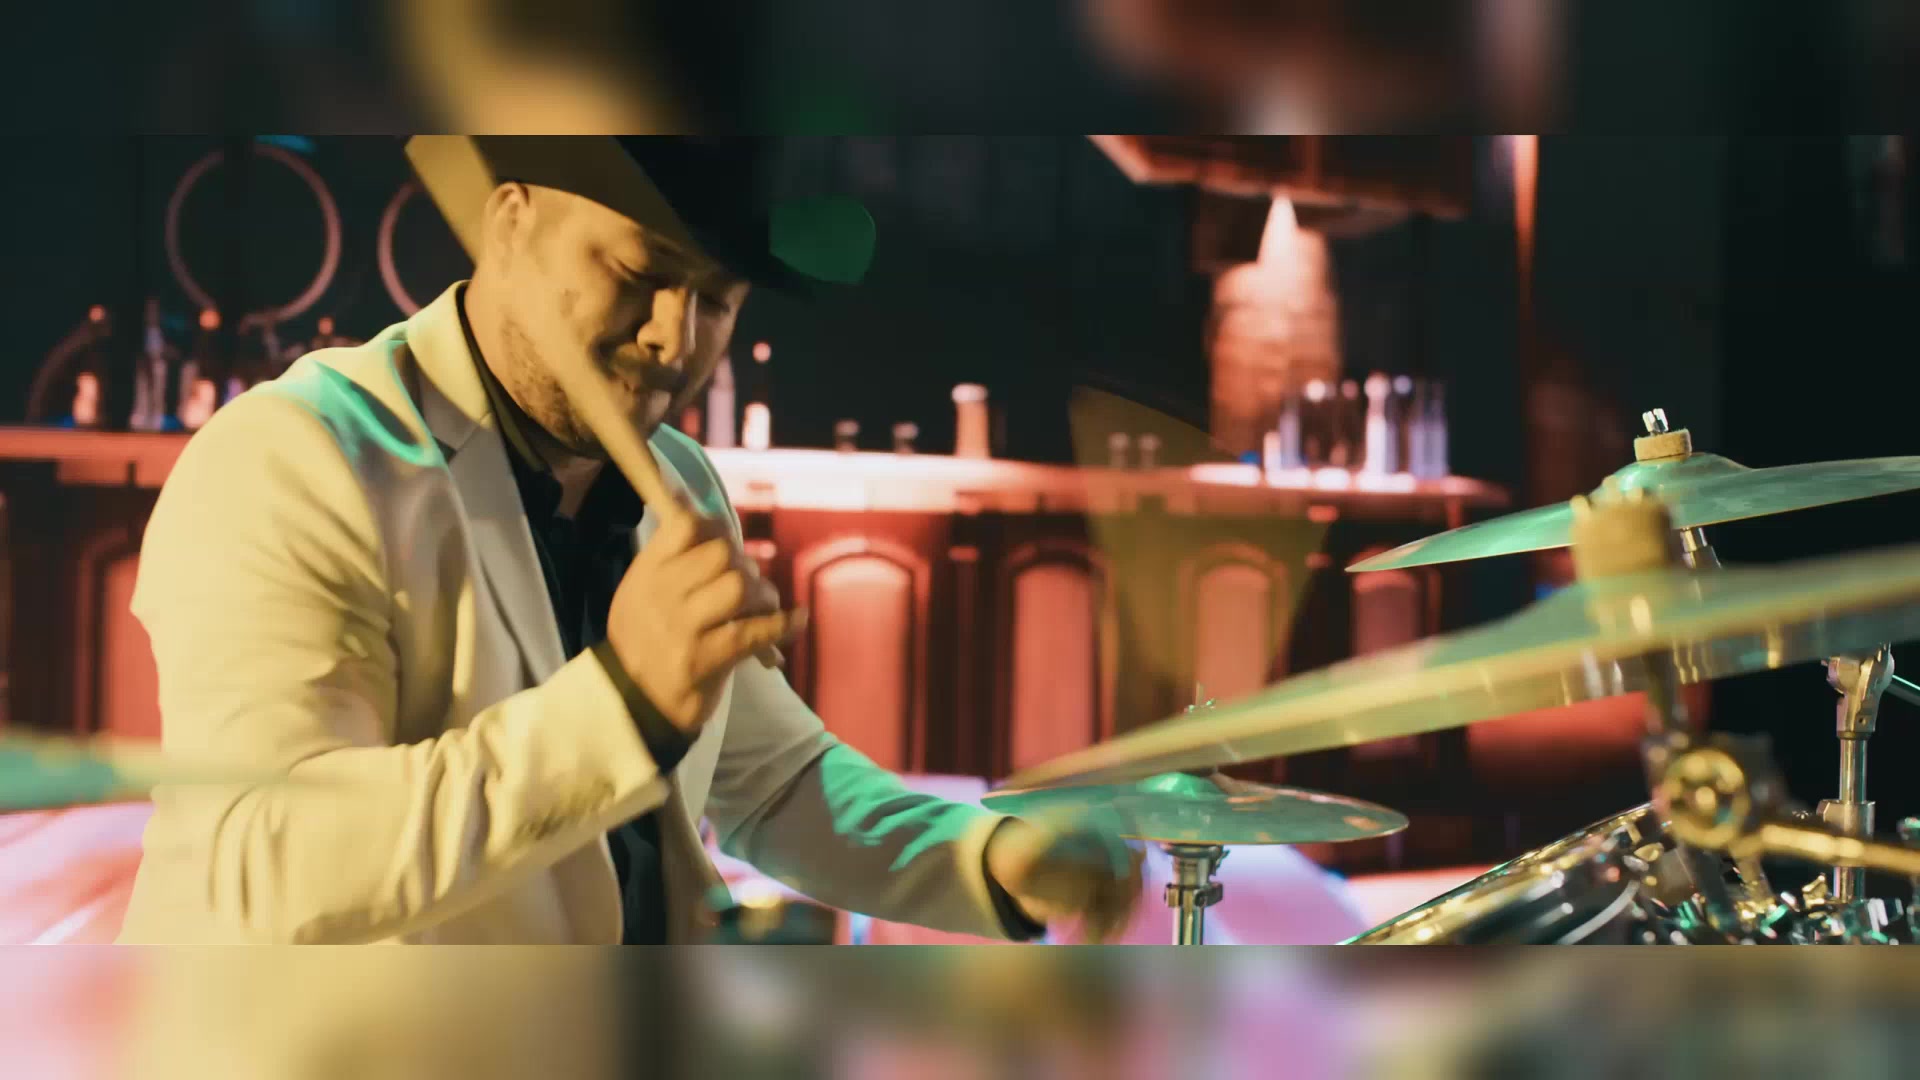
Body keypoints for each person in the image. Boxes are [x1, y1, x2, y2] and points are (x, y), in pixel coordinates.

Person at [116, 136, 1142, 944]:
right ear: (509, 224)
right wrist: (626, 702)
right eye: (641, 271)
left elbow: (774, 784)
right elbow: (267, 859)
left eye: (717, 301)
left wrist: (990, 860)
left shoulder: (677, 481)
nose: (674, 339)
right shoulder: (294, 456)